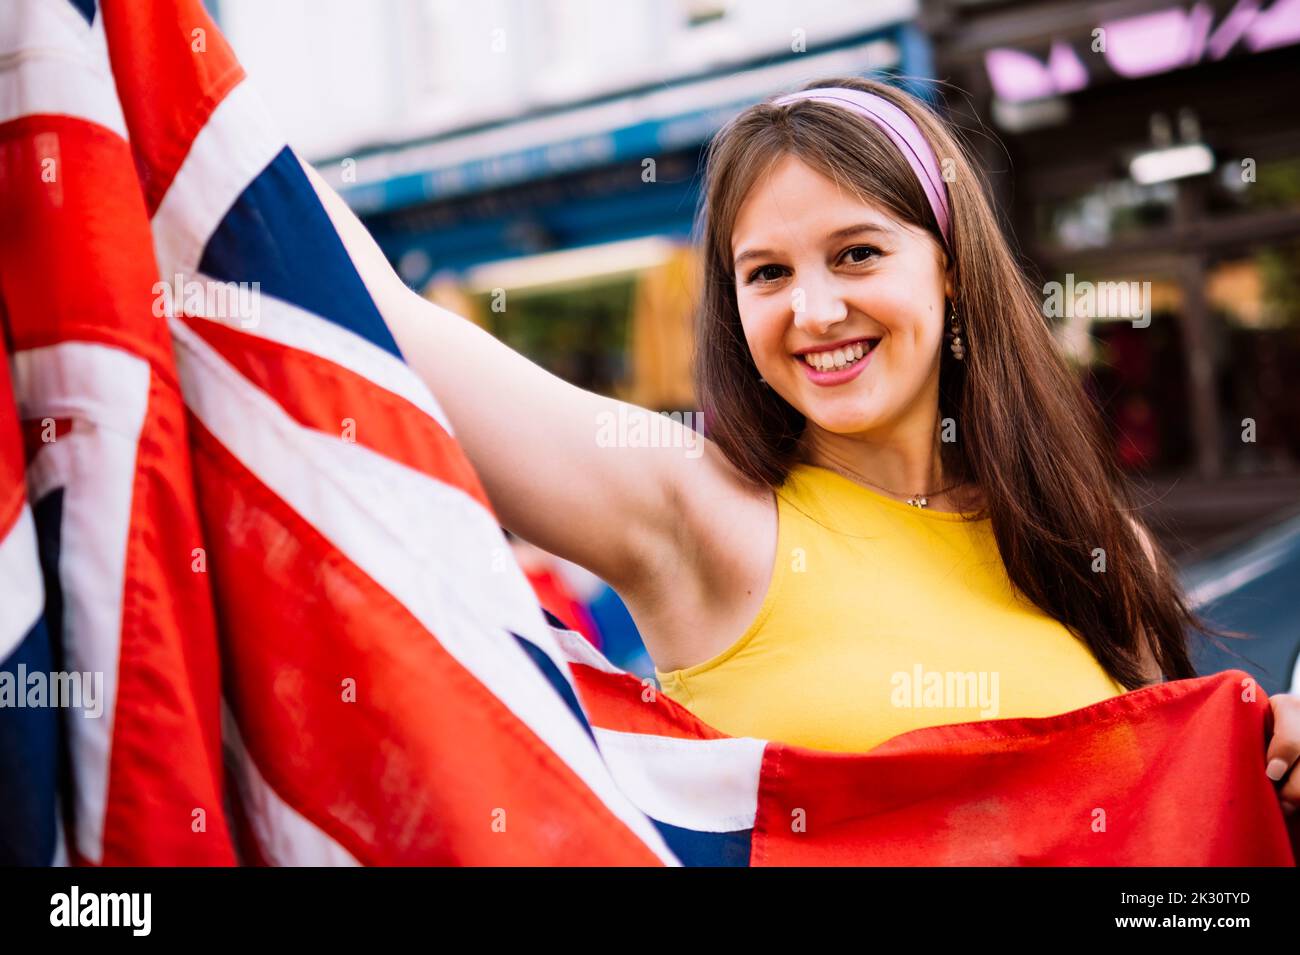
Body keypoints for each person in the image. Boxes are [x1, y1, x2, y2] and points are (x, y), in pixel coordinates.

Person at [304, 75, 1299, 808]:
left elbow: (1178, 817)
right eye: (766, 273)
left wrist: (1275, 756)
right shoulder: (699, 510)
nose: (815, 310)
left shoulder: (1088, 540)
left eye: (856, 252)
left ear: (950, 268)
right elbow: (381, 317)